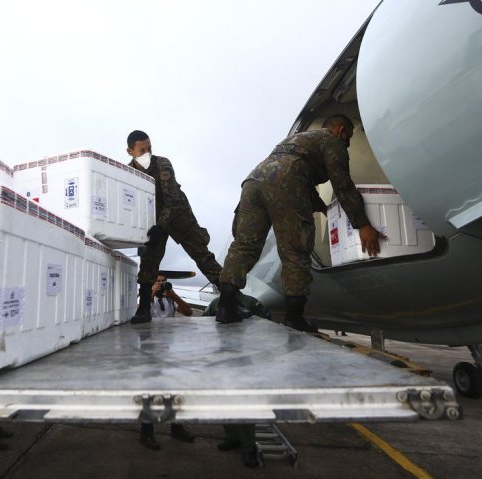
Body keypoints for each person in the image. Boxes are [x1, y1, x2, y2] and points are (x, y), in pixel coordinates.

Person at [215, 115, 383, 329]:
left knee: (244, 246)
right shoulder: (332, 142)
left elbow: (295, 172)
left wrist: (322, 207)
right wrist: (363, 224)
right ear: (340, 131)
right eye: (348, 137)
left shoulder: (300, 140)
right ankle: (294, 318)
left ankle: (226, 307)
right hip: (286, 181)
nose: (348, 143)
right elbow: (342, 185)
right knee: (295, 250)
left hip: (253, 182)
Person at [126, 130, 222, 324]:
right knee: (148, 261)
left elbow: (172, 199)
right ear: (130, 151)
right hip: (153, 221)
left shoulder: (162, 164)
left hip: (178, 216)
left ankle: (232, 300)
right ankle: (144, 310)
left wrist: (161, 226)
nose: (147, 153)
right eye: (142, 150)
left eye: (149, 148)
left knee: (203, 256)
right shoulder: (127, 172)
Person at [137, 273, 196, 450]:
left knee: (173, 389)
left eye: (164, 282)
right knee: (149, 391)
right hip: (149, 350)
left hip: (169, 349)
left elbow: (189, 312)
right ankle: (146, 432)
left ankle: (176, 427)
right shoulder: (146, 299)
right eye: (158, 282)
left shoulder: (170, 299)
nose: (161, 285)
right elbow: (138, 312)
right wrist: (150, 294)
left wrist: (174, 296)